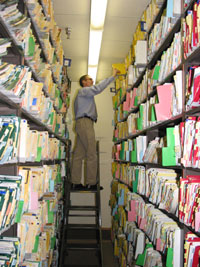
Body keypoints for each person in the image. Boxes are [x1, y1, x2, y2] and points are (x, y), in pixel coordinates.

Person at [71, 68, 120, 190]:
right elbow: (98, 89)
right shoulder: (84, 91)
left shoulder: (84, 95)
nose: (92, 80)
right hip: (85, 123)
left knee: (78, 155)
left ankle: (75, 182)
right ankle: (91, 183)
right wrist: (112, 76)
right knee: (92, 153)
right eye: (89, 79)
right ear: (84, 82)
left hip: (82, 123)